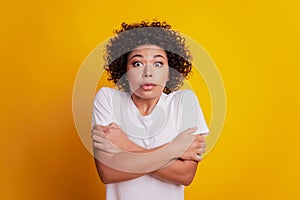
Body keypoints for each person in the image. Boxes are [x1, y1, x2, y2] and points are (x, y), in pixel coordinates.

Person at [91, 20, 209, 200]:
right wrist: (174, 150)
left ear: (169, 71)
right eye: (137, 63)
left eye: (158, 63)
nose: (148, 72)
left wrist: (125, 146)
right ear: (125, 70)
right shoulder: (108, 99)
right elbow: (108, 173)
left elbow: (185, 175)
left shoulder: (184, 101)